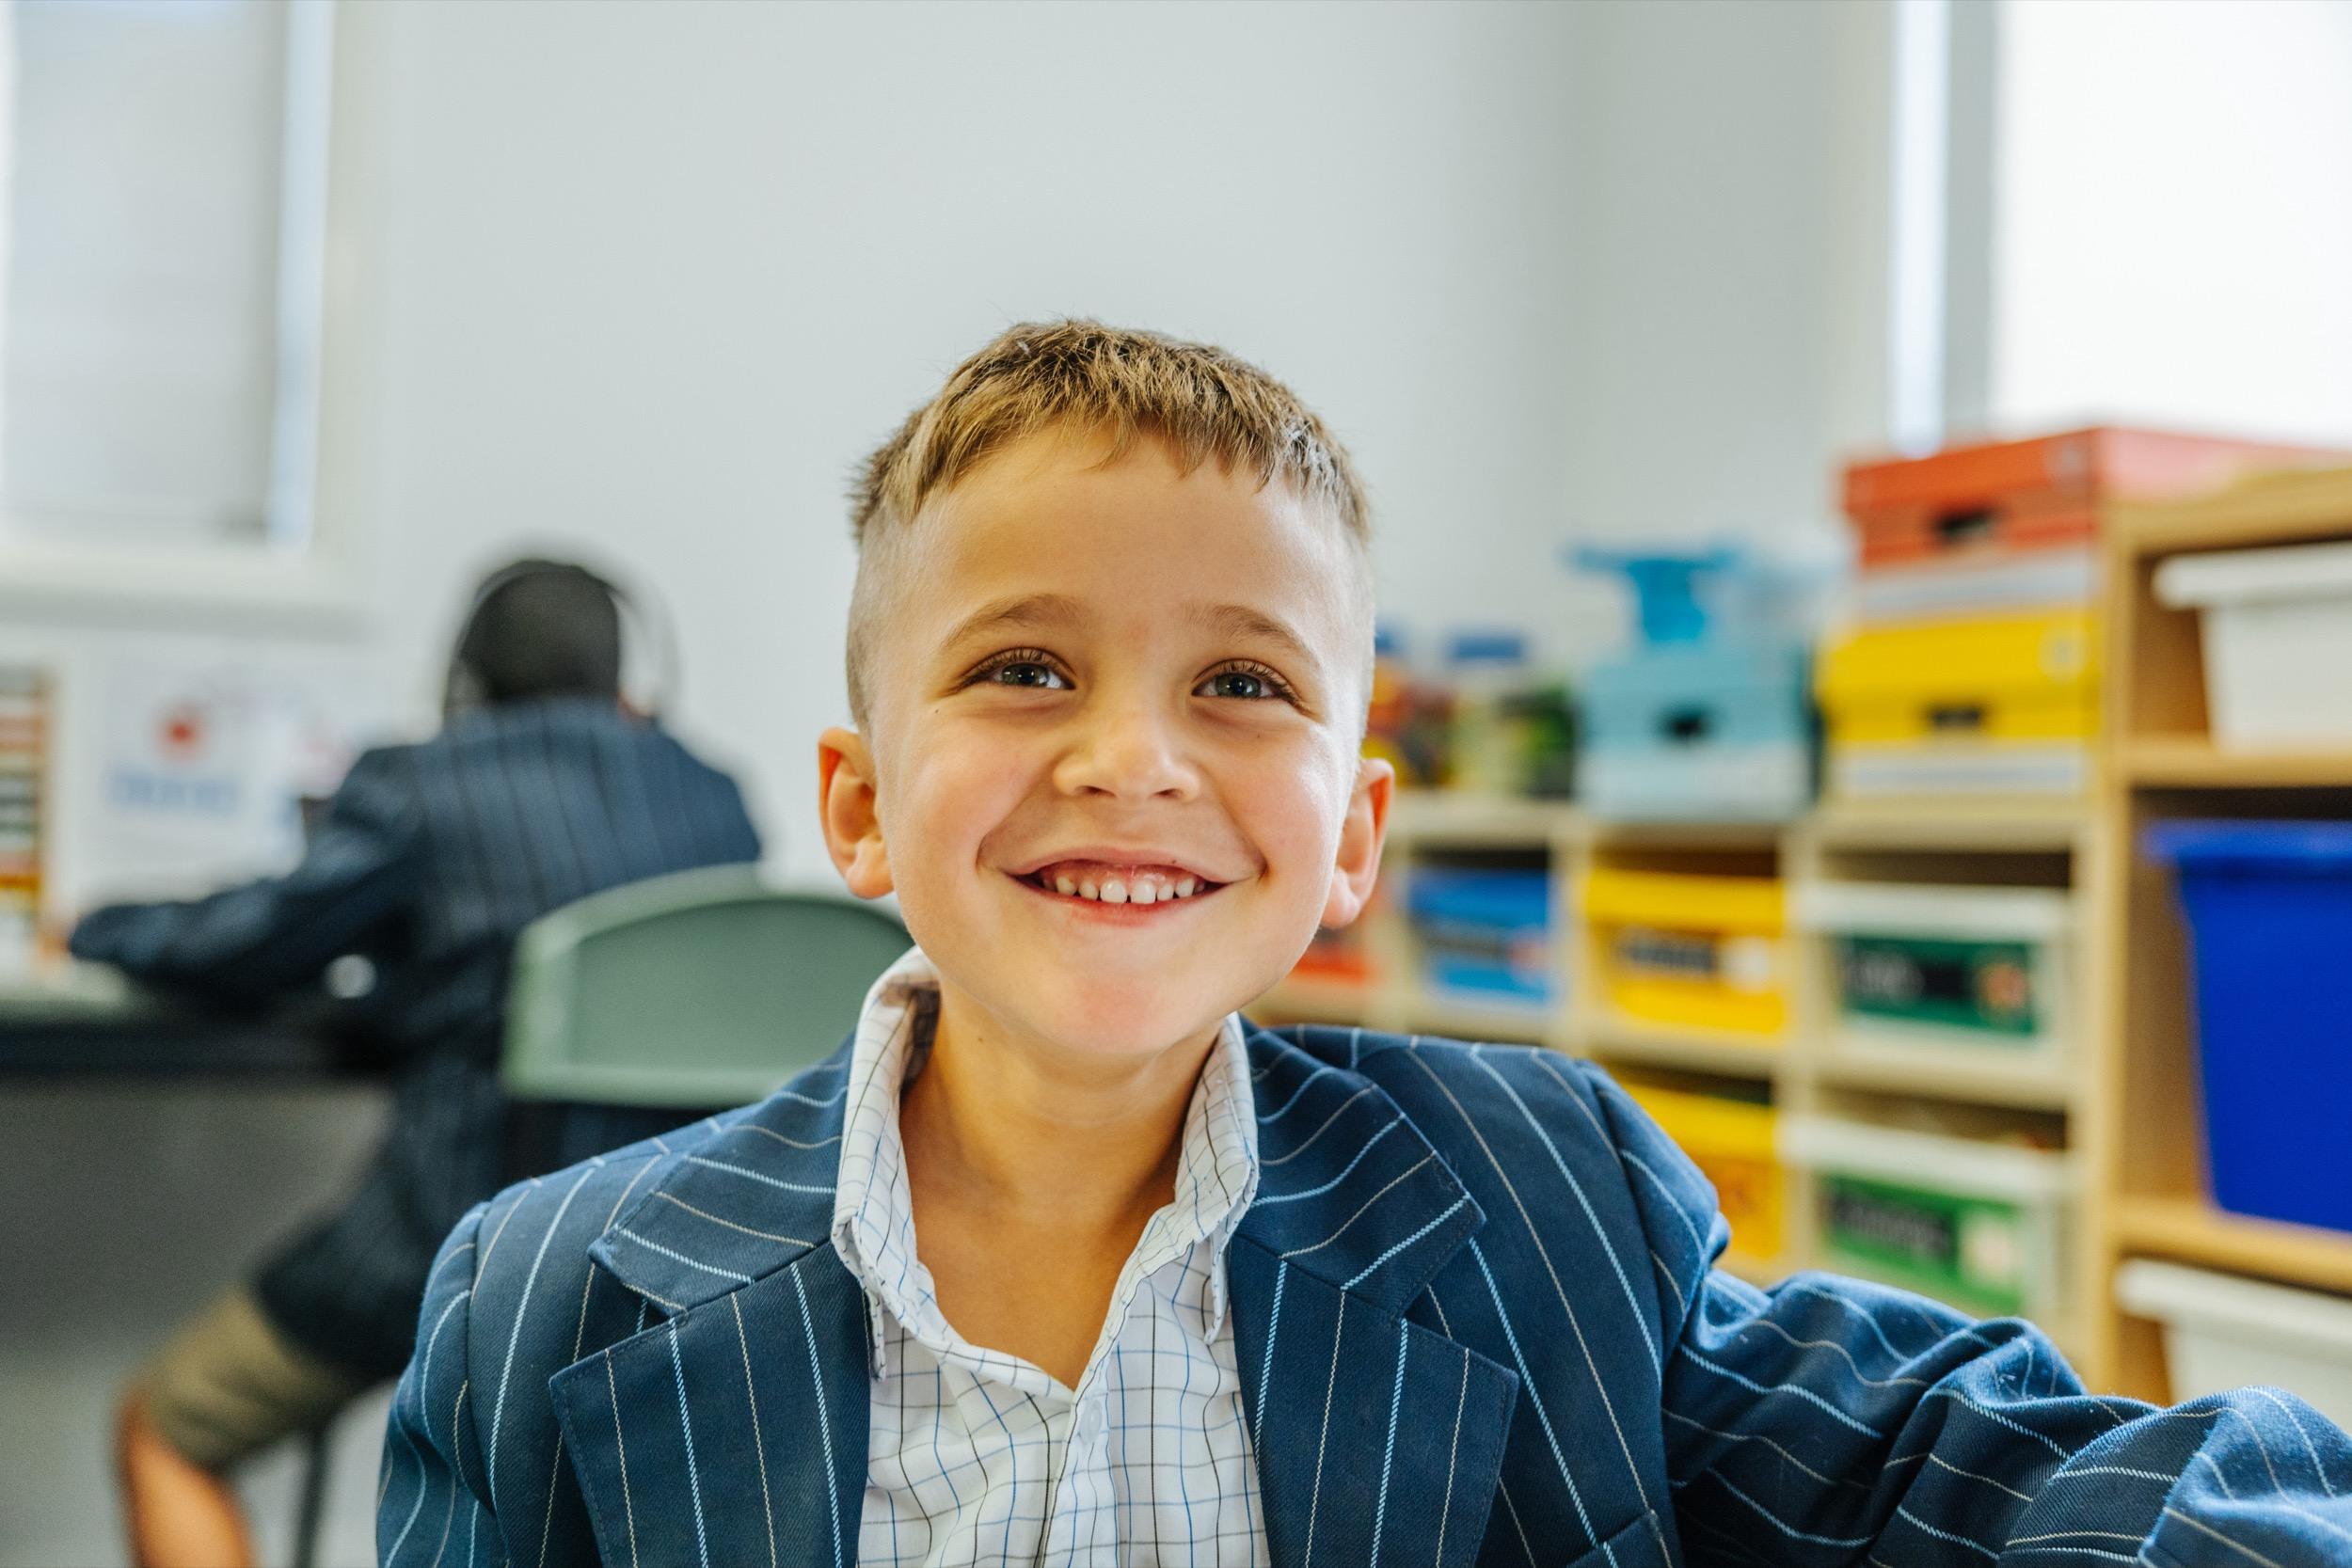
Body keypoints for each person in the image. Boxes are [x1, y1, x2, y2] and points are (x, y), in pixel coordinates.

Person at [379, 325, 2352, 1567]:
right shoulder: (543, 1296)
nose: (1129, 754)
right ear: (859, 804)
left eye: (1239, 677)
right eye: (1021, 664)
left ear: (1353, 836)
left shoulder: (1535, 1202)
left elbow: (1983, 1460)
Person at [78, 558, 764, 1568]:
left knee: (168, 1426)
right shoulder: (715, 800)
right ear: (632, 686)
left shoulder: (420, 784)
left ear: (464, 686)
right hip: (663, 1270)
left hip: (458, 1249)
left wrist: (96, 926)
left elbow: (244, 944)